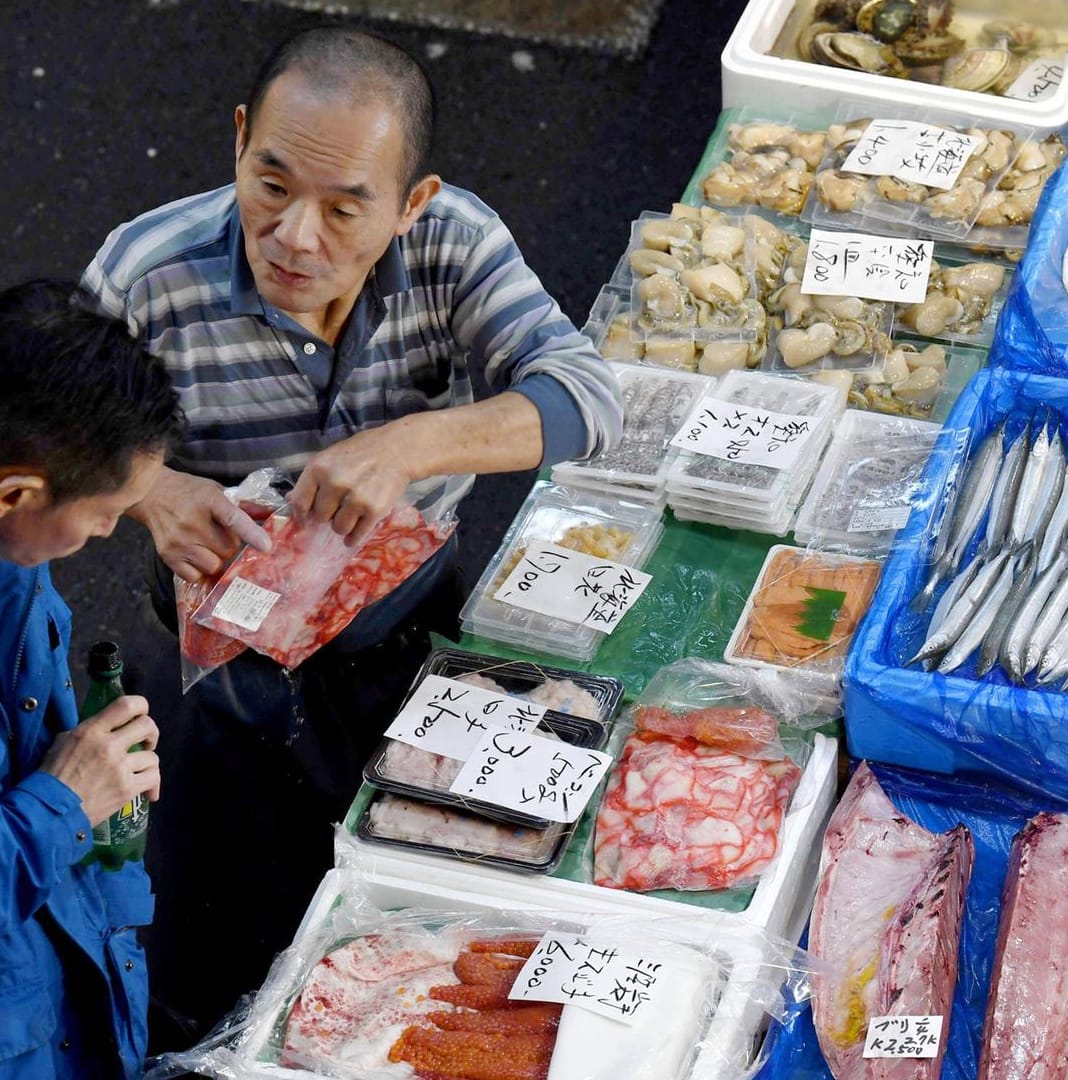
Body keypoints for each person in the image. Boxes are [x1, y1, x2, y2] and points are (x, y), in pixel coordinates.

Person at [79, 27, 625, 1040]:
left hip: (403, 631)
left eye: (344, 209)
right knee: (205, 920)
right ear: (240, 140)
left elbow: (588, 396)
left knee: (417, 907)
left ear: (412, 202)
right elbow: (41, 433)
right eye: (271, 185)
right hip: (214, 654)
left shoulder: (456, 241)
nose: (295, 237)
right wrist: (150, 488)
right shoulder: (146, 274)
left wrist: (411, 443)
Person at [0, 280, 184, 1077]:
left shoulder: (16, 557)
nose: (112, 532)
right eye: (108, 513)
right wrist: (66, 802)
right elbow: (55, 799)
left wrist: (103, 784)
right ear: (16, 491)